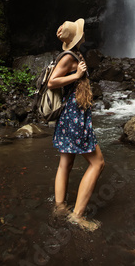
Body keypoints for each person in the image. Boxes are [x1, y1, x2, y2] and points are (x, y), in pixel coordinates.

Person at [48, 18, 105, 231]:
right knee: (97, 163)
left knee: (66, 163)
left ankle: (60, 208)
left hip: (71, 115)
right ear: (77, 37)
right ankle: (77, 216)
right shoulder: (68, 57)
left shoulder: (71, 55)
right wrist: (77, 75)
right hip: (74, 116)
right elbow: (52, 81)